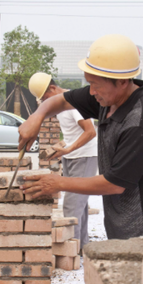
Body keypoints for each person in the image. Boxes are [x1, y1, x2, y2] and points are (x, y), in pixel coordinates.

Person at [18, 34, 143, 240]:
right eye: (89, 83)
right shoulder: (106, 98)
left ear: (123, 81)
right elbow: (61, 101)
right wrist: (37, 117)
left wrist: (57, 183)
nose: (91, 91)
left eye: (96, 85)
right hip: (119, 220)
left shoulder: (140, 121)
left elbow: (113, 183)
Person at [28, 73, 98, 249]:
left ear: (52, 88)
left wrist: (67, 150)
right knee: (79, 205)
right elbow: (72, 134)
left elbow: (90, 132)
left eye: (45, 98)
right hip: (72, 156)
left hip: (84, 157)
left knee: (72, 205)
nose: (45, 103)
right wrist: (59, 147)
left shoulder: (73, 104)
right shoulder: (61, 105)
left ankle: (69, 252)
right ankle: (81, 247)